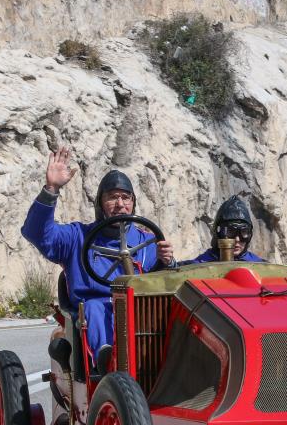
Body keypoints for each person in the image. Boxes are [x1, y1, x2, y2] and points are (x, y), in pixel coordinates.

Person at [21, 148, 175, 373]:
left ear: (133, 203)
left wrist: (167, 262)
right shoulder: (77, 236)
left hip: (142, 316)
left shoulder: (148, 243)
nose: (120, 204)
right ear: (100, 204)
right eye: (112, 197)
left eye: (126, 197)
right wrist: (51, 189)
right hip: (92, 313)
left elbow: (168, 283)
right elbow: (36, 233)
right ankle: (106, 362)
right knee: (95, 306)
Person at [179, 195, 265, 265]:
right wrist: (168, 262)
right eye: (231, 232)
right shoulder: (204, 263)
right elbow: (179, 271)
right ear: (218, 233)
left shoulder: (259, 265)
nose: (237, 239)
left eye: (244, 232)